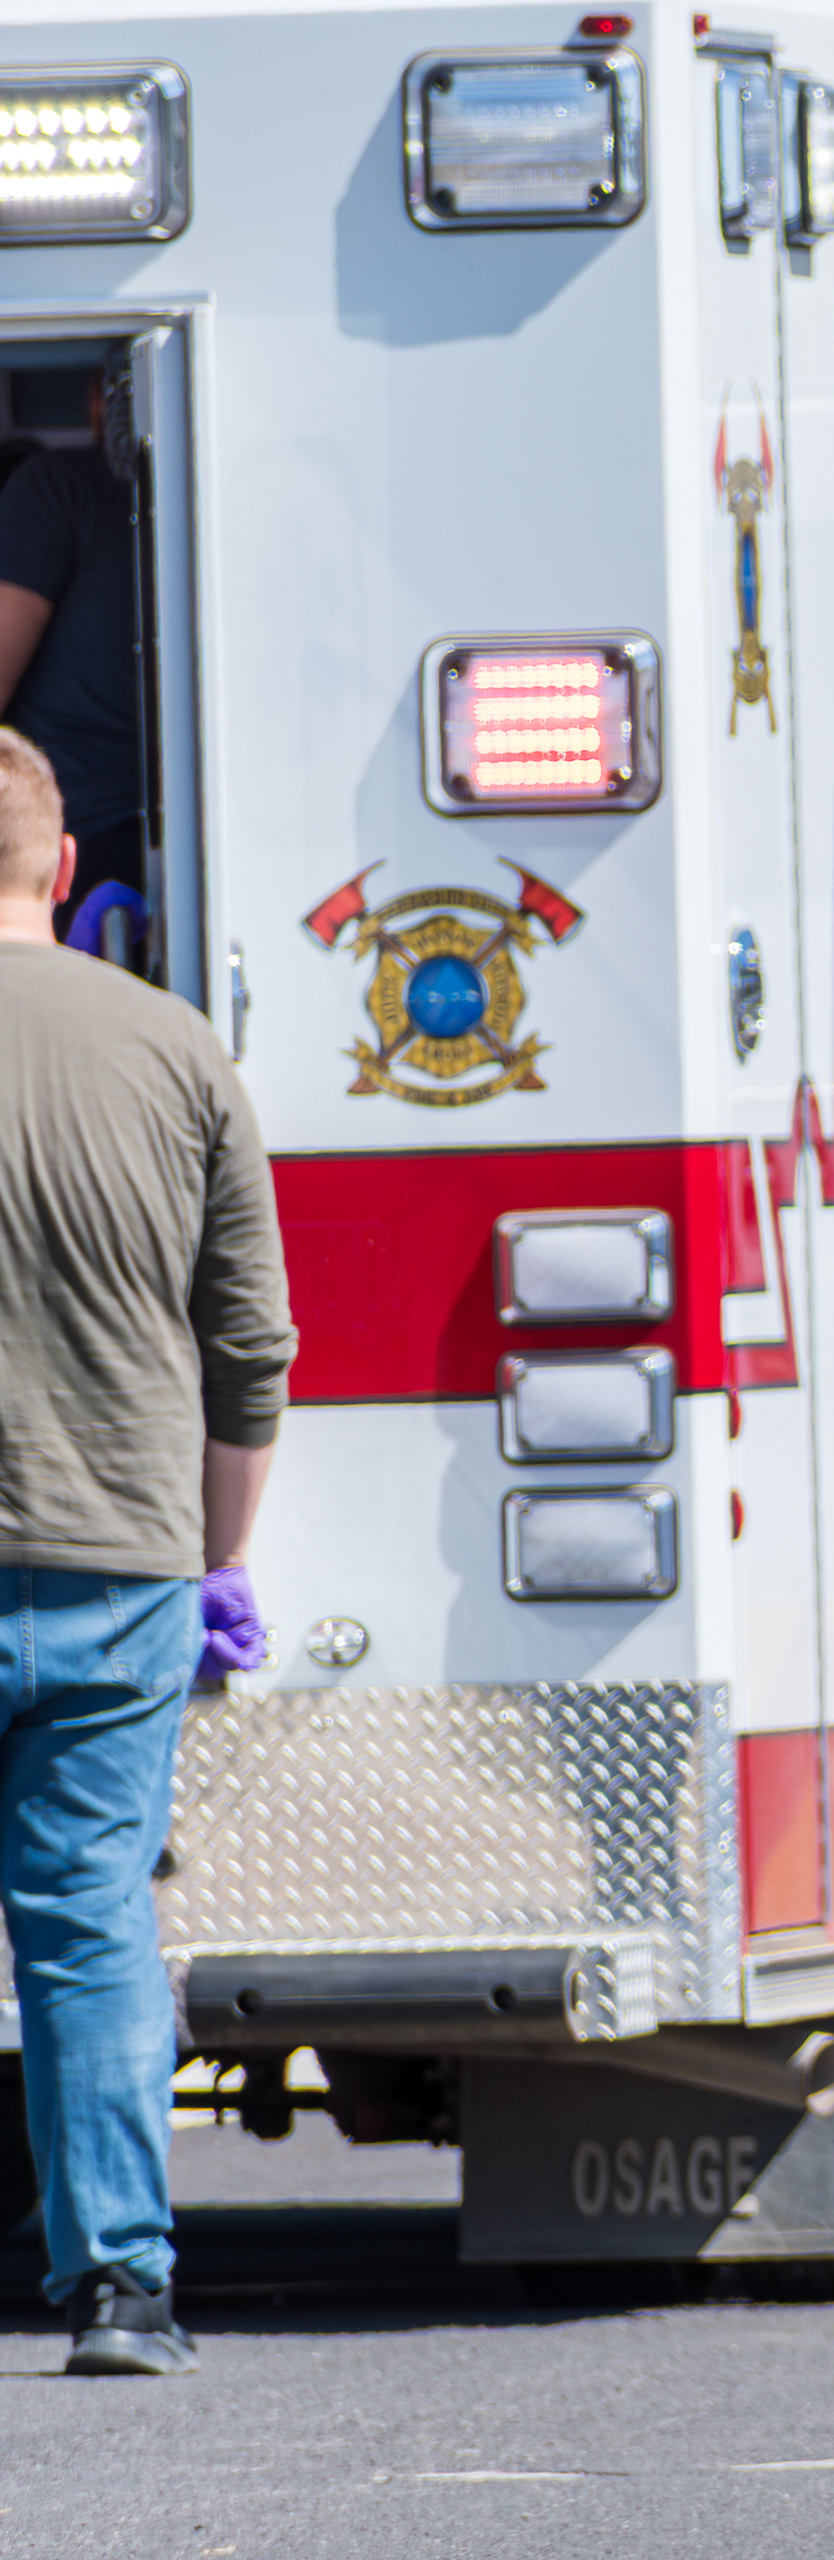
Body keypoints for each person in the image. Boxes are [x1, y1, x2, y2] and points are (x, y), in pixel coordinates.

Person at [0, 728, 289, 2376]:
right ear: (61, 868)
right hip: (120, 1568)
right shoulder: (178, 1054)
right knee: (90, 1922)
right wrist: (213, 1564)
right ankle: (119, 2284)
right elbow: (250, 1350)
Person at [0, 380, 145, 946]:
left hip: (65, 852)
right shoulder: (219, 493)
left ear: (99, 402)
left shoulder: (58, 487)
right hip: (194, 833)